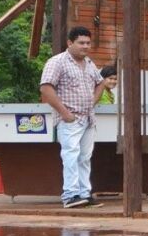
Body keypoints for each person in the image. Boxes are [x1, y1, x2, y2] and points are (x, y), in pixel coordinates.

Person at [39, 26, 116, 208]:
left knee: (84, 157)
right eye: (81, 43)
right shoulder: (57, 62)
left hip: (88, 119)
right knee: (71, 155)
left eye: (88, 43)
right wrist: (65, 113)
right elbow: (45, 88)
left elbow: (100, 83)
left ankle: (83, 193)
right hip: (70, 119)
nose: (85, 46)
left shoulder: (89, 63)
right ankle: (70, 195)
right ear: (70, 43)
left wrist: (92, 102)